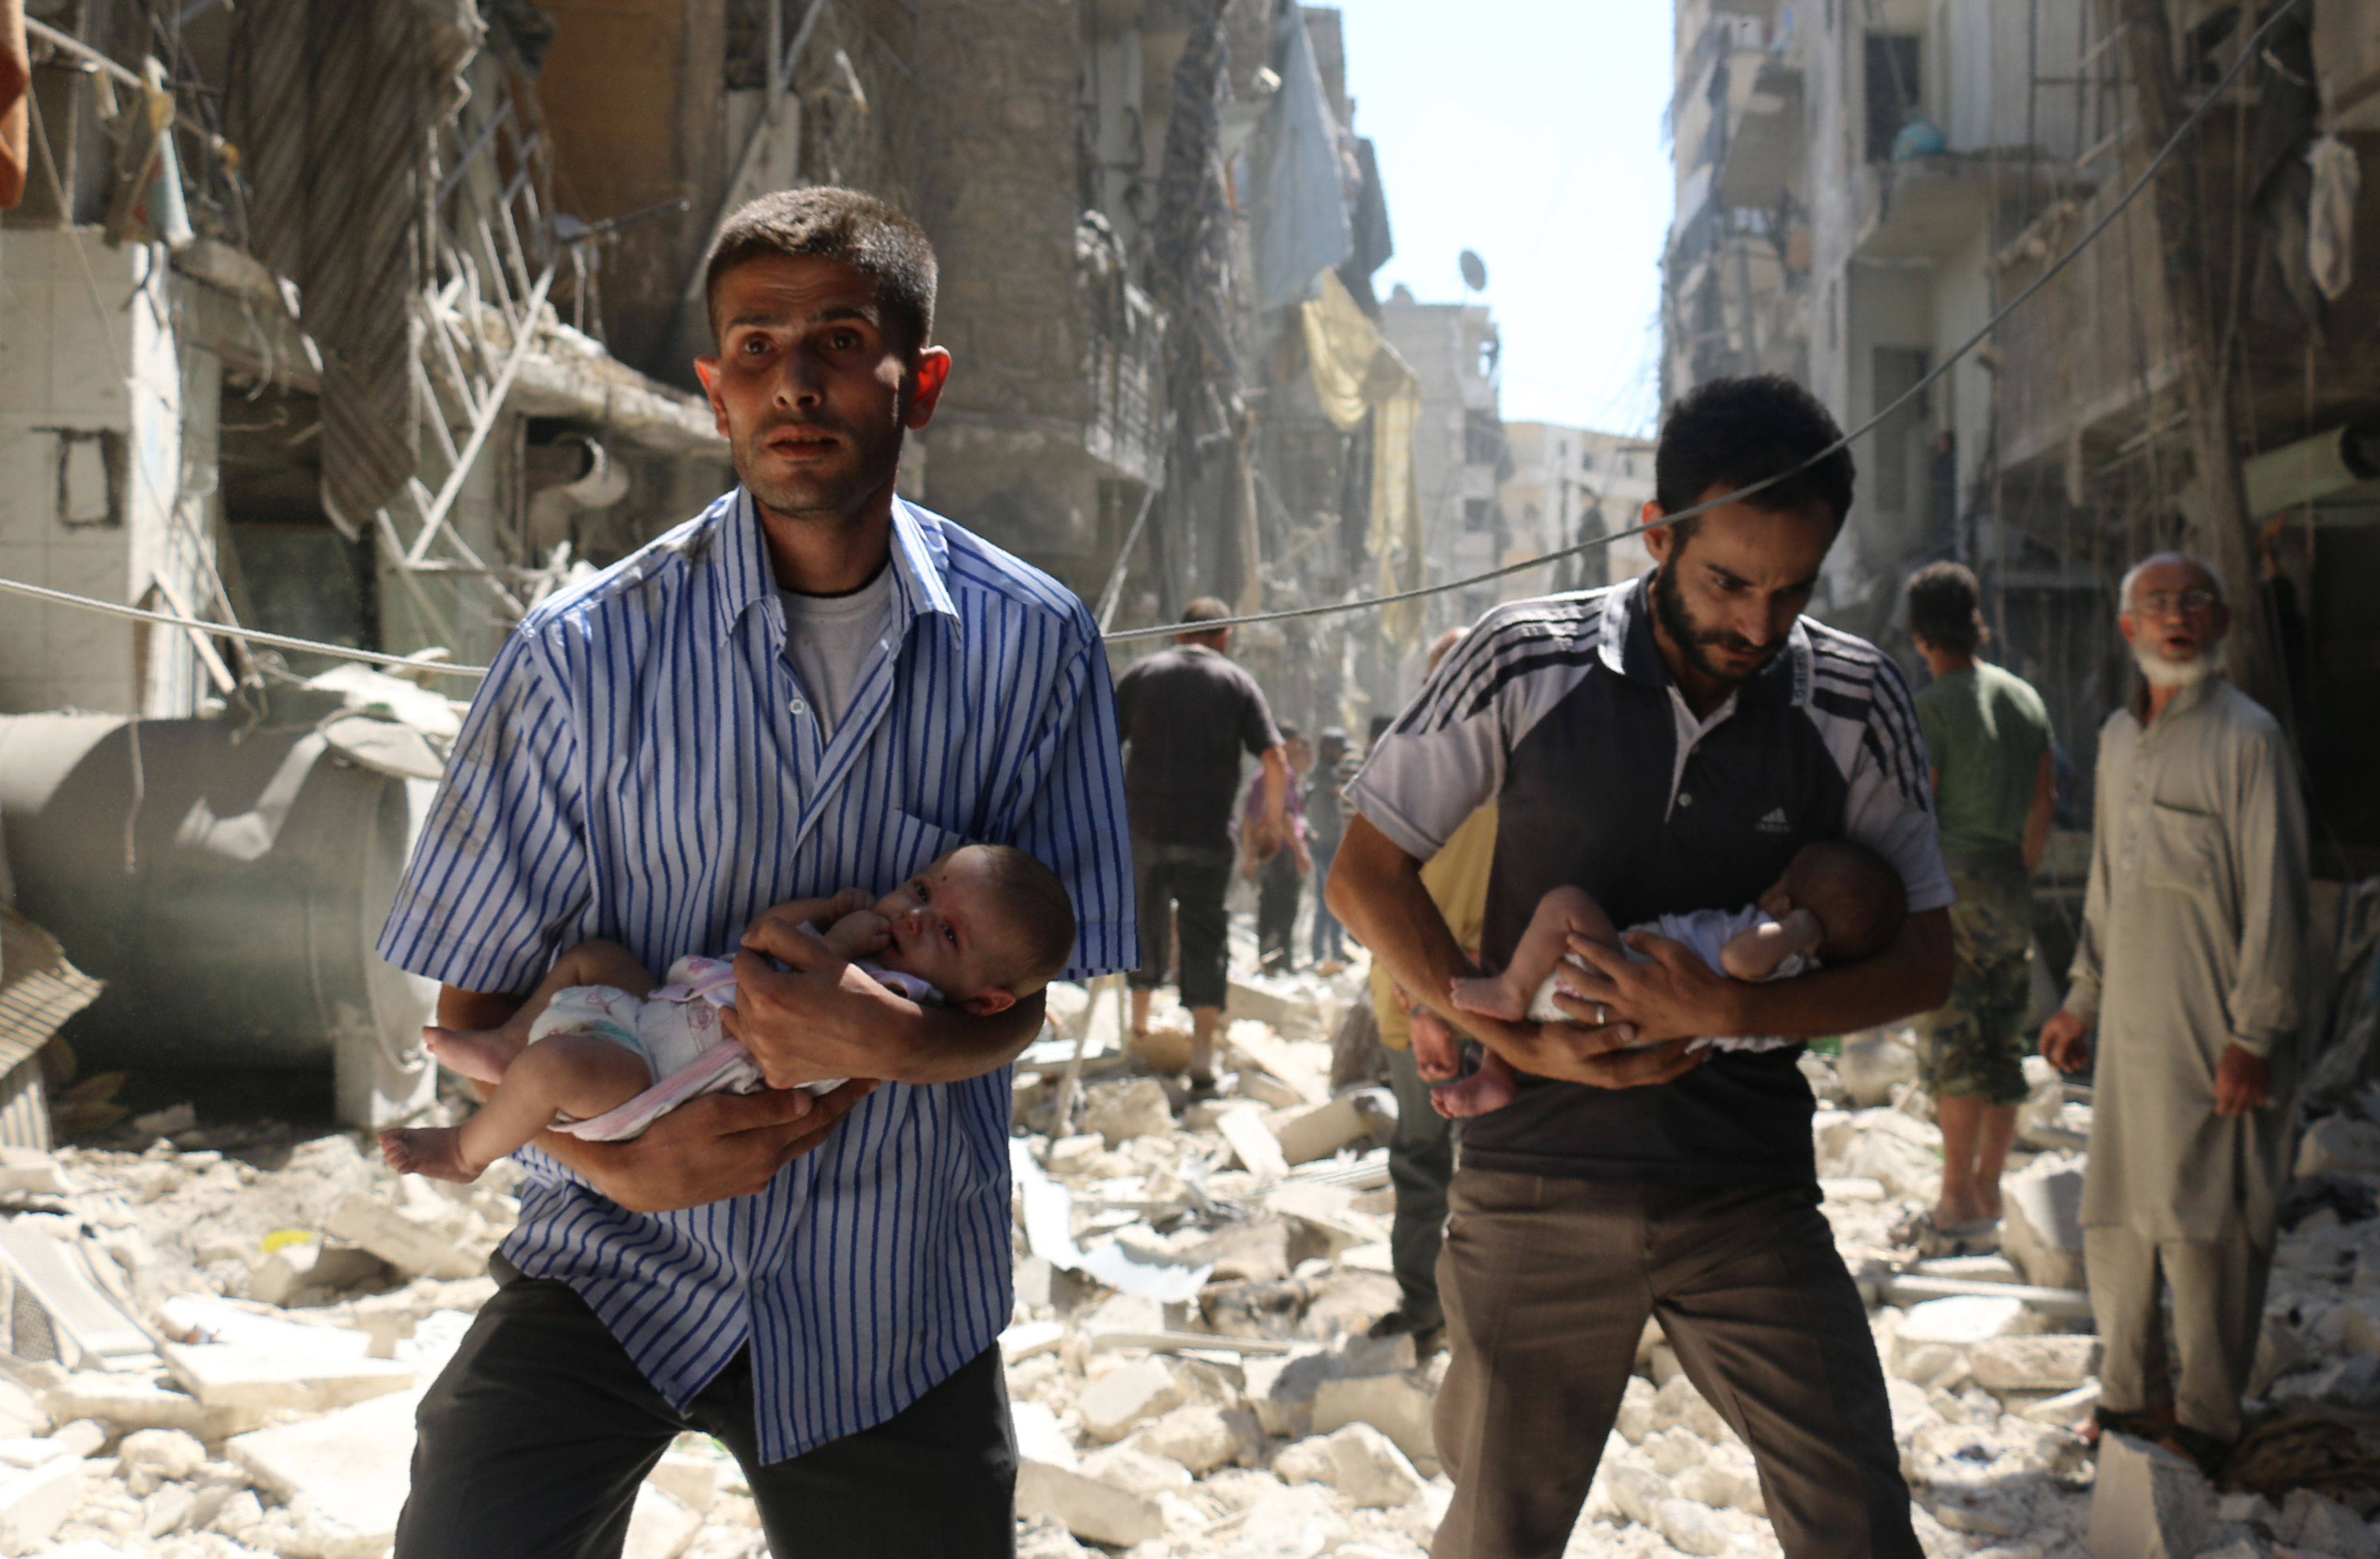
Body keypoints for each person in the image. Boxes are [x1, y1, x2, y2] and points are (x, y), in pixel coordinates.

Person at [375, 187, 1133, 1558]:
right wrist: (615, 1159)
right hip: (609, 1262)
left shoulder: (1037, 646)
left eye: (841, 337)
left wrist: (901, 1037)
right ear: (714, 386)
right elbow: (476, 1020)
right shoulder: (578, 655)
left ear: (923, 383)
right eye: (755, 343)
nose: (795, 377)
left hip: (892, 1291)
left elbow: (1031, 990)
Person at [1329, 373, 1953, 1559]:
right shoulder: (1522, 660)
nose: (1759, 626)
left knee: (1859, 1520)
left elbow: (1924, 959)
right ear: (1656, 535)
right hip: (1534, 1189)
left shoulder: (1857, 699)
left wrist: (1731, 1005)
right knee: (1497, 1534)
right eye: (1727, 582)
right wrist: (1512, 1037)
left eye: (1793, 590)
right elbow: (1363, 874)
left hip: (1747, 1193)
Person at [2036, 551, 2308, 1471]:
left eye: (2196, 601)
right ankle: (2127, 1398)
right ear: (2130, 629)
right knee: (2115, 1215)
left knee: (2208, 1229)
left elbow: (2278, 895)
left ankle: (2204, 1421)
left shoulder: (2249, 738)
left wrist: (2254, 1034)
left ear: (2222, 622)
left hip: (2215, 1035)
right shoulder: (2116, 739)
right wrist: (2081, 998)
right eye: (2157, 604)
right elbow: (2108, 887)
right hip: (2131, 1040)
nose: (2176, 616)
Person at [380, 846, 1076, 1183]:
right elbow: (764, 934)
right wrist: (822, 914)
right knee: (593, 957)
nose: (916, 917)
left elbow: (820, 997)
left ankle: (467, 1151)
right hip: (660, 1015)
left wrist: (834, 941)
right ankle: (507, 1041)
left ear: (985, 999)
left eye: (949, 934)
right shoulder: (875, 939)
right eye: (921, 889)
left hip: (659, 1085)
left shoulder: (907, 1004)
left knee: (557, 1066)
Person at [1424, 839, 1907, 1117]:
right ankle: (1497, 1070)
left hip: (1620, 979)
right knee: (1526, 990)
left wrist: (1801, 927)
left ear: (1785, 904)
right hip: (1637, 1031)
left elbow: (1739, 959)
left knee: (1565, 905)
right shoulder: (1797, 1004)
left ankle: (1509, 999)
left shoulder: (1778, 952)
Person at [1902, 562, 2054, 1251]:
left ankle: (1952, 1196)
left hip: (1949, 885)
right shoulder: (2024, 699)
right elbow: (2041, 804)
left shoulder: (1932, 706)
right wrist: (2015, 872)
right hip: (2008, 882)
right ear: (1975, 624)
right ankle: (1990, 1187)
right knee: (2001, 1040)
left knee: (1951, 1043)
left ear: (1918, 636)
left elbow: (1919, 807)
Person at [1362, 629, 1494, 1351]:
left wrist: (1422, 1007)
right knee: (1466, 1165)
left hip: (1449, 1004)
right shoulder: (1511, 766)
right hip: (1461, 1004)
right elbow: (1370, 897)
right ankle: (1440, 1315)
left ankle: (1436, 1315)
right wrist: (1427, 1006)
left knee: (1428, 1163)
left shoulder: (1407, 765)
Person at [1116, 598, 1288, 1088]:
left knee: (1142, 927)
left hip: (1144, 830)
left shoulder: (1142, 673)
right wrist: (1272, 826)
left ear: (1178, 632)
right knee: (1205, 935)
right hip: (1208, 834)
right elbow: (1274, 759)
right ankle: (1202, 1055)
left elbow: (1101, 744)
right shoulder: (1237, 683)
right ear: (1225, 637)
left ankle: (1140, 1034)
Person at [1245, 724, 1311, 974]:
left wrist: (1251, 856)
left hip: (1270, 852)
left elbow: (1249, 820)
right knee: (1283, 907)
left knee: (1271, 906)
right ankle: (1279, 961)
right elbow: (1284, 815)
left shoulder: (1262, 777)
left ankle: (1271, 960)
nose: (1298, 748)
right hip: (1280, 851)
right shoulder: (1281, 775)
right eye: (1294, 743)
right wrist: (1299, 851)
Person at [1306, 727, 1356, 971]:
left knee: (1332, 899)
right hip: (1323, 847)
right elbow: (1341, 790)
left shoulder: (1327, 773)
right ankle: (1322, 953)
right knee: (1328, 900)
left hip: (1331, 846)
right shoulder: (1321, 774)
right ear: (1328, 749)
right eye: (1338, 749)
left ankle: (1334, 951)